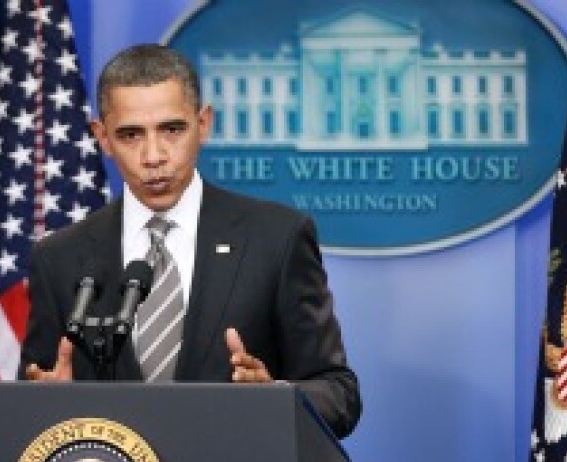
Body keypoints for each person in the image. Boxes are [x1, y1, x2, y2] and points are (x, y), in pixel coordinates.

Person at [20, 44, 361, 439]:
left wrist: (275, 400)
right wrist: (47, 405)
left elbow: (339, 394)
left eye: (172, 130)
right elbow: (30, 400)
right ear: (103, 138)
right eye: (131, 135)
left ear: (203, 124)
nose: (153, 156)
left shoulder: (276, 239)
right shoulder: (59, 258)